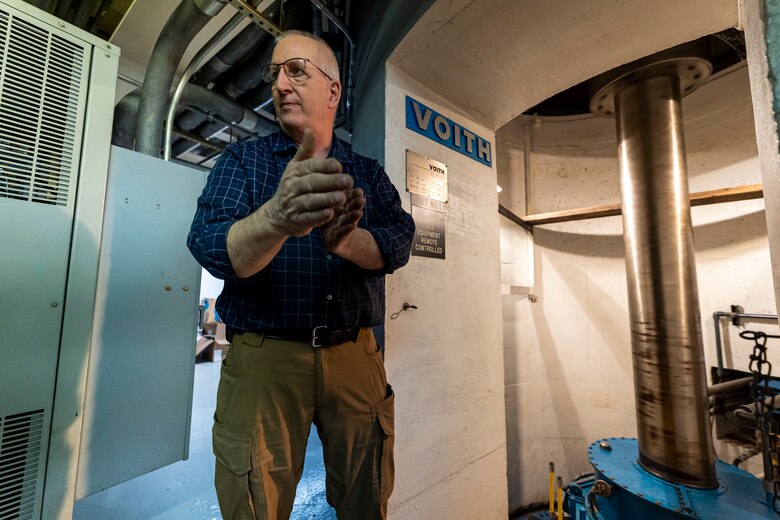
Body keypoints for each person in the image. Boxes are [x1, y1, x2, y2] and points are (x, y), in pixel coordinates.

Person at [187, 30, 415, 520]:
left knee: (367, 497)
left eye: (295, 70)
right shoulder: (241, 163)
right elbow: (208, 243)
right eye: (274, 74)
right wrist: (276, 220)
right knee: (254, 505)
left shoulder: (368, 173)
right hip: (264, 362)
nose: (279, 85)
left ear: (333, 90)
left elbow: (399, 240)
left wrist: (346, 242)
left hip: (356, 357)